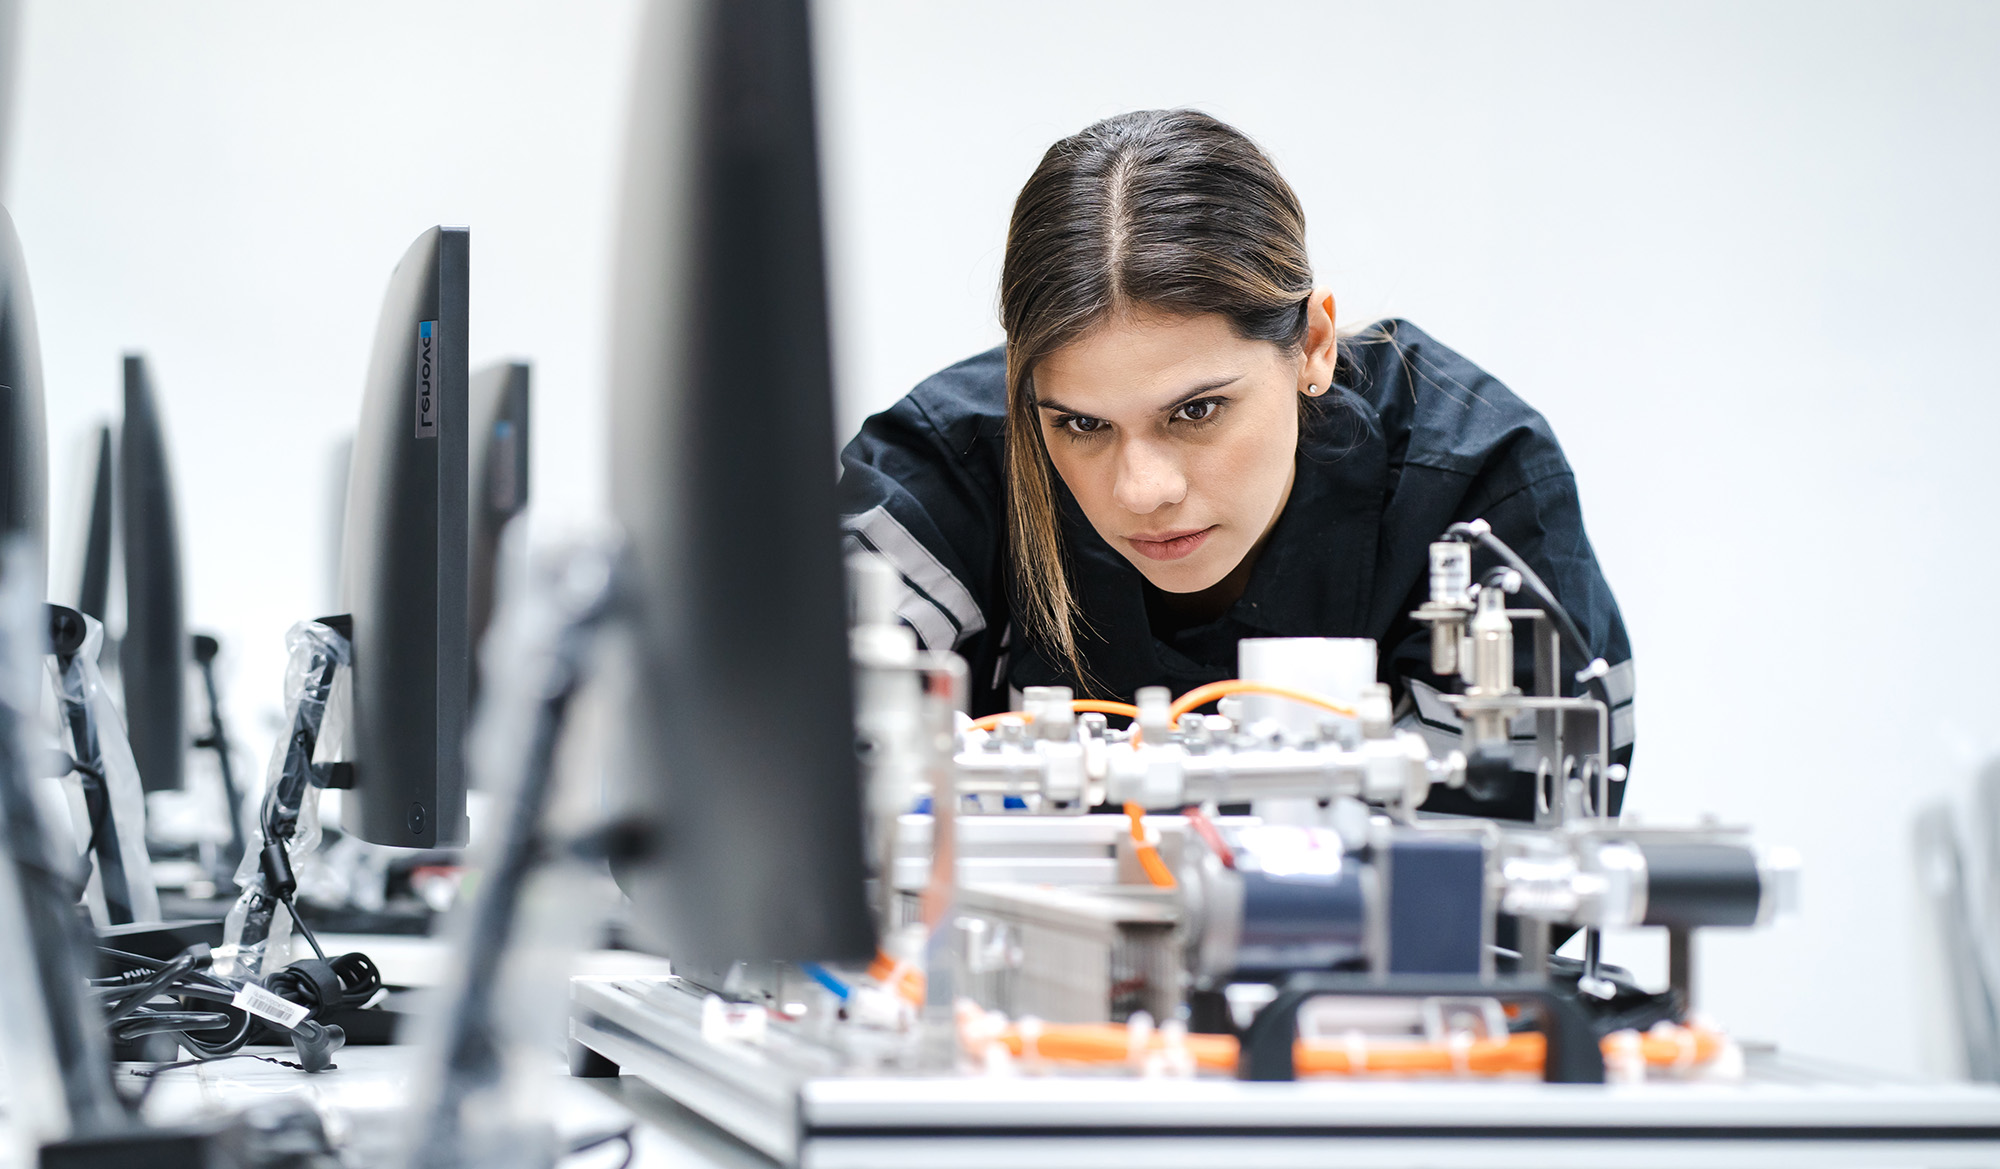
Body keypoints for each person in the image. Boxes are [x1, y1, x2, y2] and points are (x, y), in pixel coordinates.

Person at [838, 109, 1633, 818]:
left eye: (1197, 411)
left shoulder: (1475, 488)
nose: (1143, 490)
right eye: (1082, 423)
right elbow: (785, 802)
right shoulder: (941, 477)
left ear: (1314, 346)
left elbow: (1509, 881)